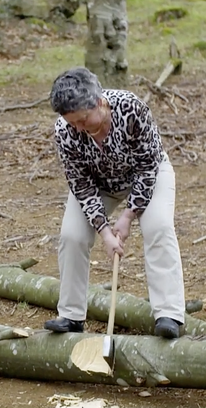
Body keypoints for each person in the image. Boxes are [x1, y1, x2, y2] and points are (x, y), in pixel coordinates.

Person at [43, 67, 187, 339]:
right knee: (72, 235)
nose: (78, 128)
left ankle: (169, 314)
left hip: (146, 174)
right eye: (73, 123)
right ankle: (72, 316)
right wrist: (104, 230)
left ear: (99, 102)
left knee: (158, 227)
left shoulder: (131, 108)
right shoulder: (65, 130)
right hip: (99, 184)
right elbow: (81, 185)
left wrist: (128, 216)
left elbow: (148, 166)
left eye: (83, 120)